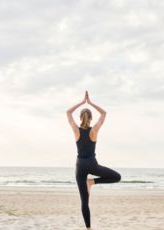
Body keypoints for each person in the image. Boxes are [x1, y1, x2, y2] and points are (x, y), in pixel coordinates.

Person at [66, 90, 121, 229]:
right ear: (90, 118)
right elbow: (104, 114)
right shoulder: (94, 131)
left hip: (80, 166)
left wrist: (81, 102)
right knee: (117, 177)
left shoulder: (76, 130)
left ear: (80, 117)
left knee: (84, 201)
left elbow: (68, 113)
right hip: (91, 165)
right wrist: (90, 102)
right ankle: (92, 181)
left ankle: (88, 228)